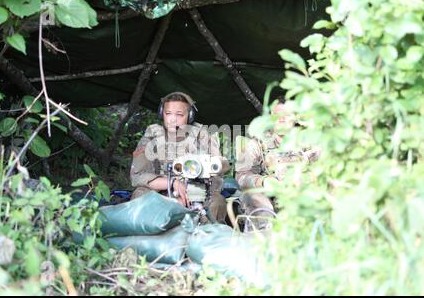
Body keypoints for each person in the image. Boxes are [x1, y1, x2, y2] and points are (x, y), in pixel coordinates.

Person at [130, 91, 228, 222]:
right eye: (168, 113)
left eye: (179, 115)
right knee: (139, 196)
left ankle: (204, 237)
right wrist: (172, 183)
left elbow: (219, 171)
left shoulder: (202, 135)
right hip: (161, 193)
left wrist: (192, 190)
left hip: (197, 193)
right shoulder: (152, 135)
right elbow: (137, 176)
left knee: (217, 202)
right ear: (161, 113)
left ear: (190, 116)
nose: (172, 119)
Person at [234, 99, 320, 229]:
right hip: (268, 197)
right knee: (255, 198)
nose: (281, 118)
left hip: (300, 194)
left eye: (286, 114)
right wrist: (263, 182)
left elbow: (328, 167)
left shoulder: (308, 142)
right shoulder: (258, 144)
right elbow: (241, 176)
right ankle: (263, 242)